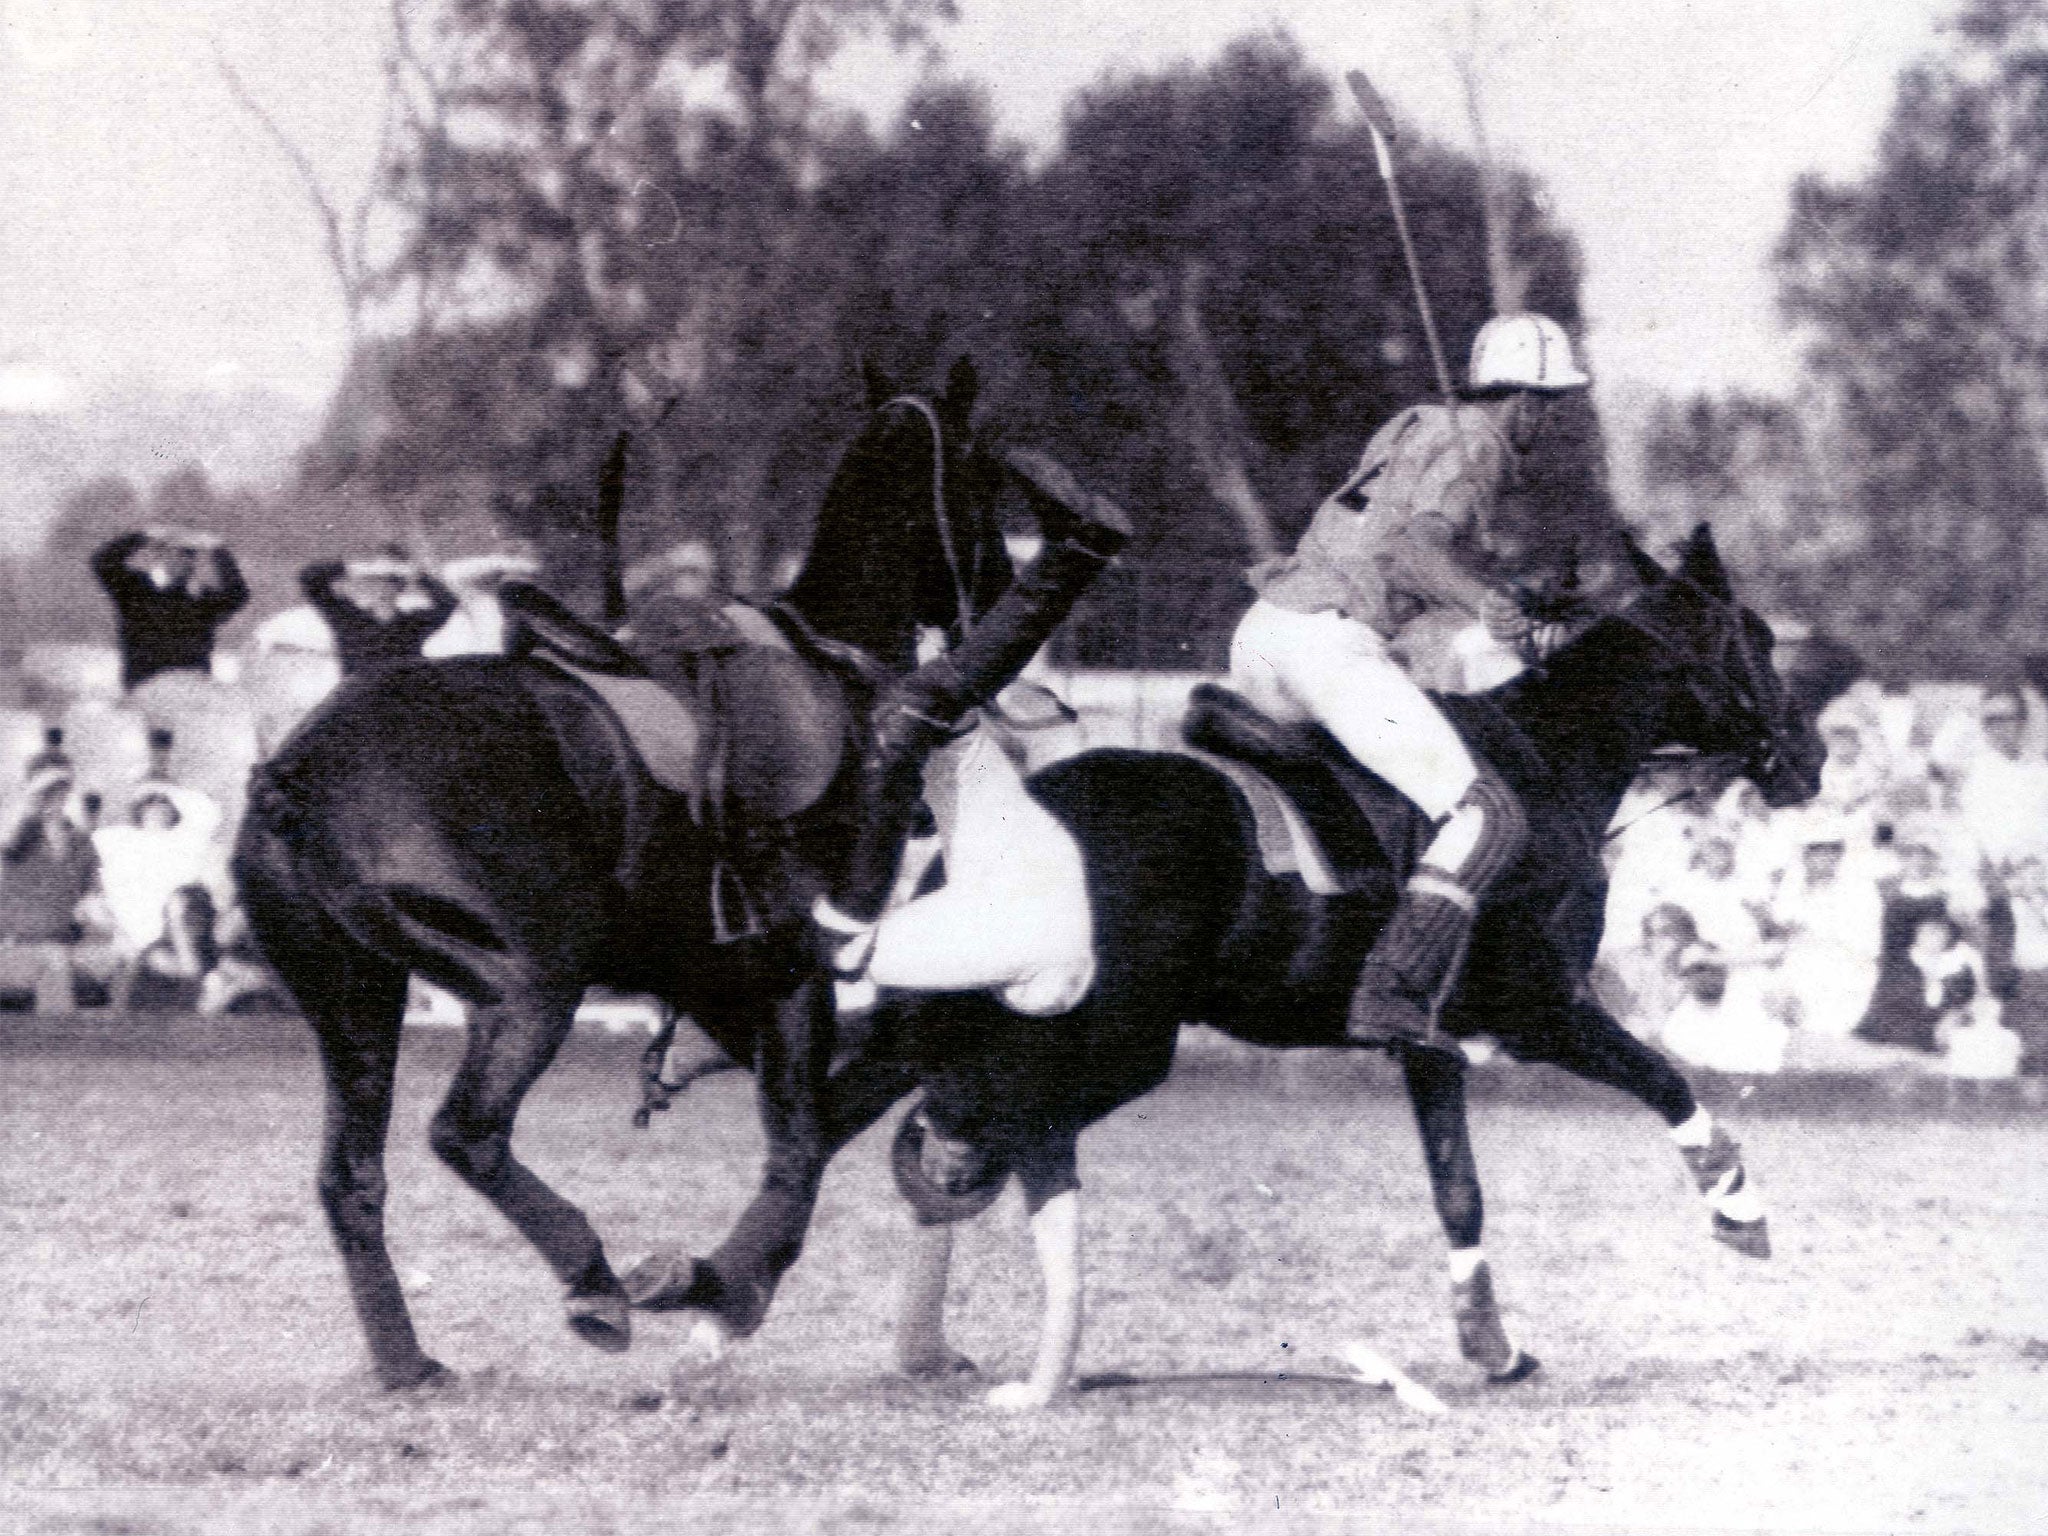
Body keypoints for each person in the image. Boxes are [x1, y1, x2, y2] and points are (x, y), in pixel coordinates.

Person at [1223, 312, 1603, 1047]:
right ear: (1525, 401)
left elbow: (1396, 547)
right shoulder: (1480, 446)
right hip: (1324, 646)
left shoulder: (1412, 426)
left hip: (1263, 633)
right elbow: (1415, 553)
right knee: (1488, 815)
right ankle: (1393, 988)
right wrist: (1485, 600)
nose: (1548, 420)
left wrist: (1493, 592)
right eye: (1549, 404)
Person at [812, 449, 1132, 976]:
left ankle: (1073, 551)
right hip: (1030, 913)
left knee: (923, 711)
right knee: (922, 710)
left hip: (1026, 895)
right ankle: (1075, 552)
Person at [91, 527, 249, 691]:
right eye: (173, 552)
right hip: (145, 687)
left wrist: (218, 550)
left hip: (191, 689)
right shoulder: (135, 591)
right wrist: (144, 535)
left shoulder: (203, 601)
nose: (181, 560)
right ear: (159, 555)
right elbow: (102, 562)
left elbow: (238, 593)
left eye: (188, 555)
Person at [0, 763, 101, 1011]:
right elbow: (8, 836)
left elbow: (93, 898)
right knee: (52, 964)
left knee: (59, 966)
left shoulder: (82, 846)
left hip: (61, 945)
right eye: (49, 795)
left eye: (64, 795)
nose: (56, 802)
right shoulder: (18, 840)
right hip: (16, 945)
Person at [299, 546, 460, 675]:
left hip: (407, 697)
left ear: (398, 587)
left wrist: (417, 575)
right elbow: (311, 577)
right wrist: (367, 568)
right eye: (371, 582)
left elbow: (448, 602)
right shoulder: (346, 617)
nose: (378, 588)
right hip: (363, 702)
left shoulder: (413, 623)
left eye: (386, 582)